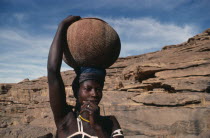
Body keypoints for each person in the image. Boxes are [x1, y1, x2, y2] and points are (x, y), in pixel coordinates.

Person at [47, 15, 124, 138]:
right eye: (88, 89)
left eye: (98, 89)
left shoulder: (110, 123)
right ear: (76, 90)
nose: (94, 94)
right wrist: (62, 26)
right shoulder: (65, 120)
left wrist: (97, 127)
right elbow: (53, 71)